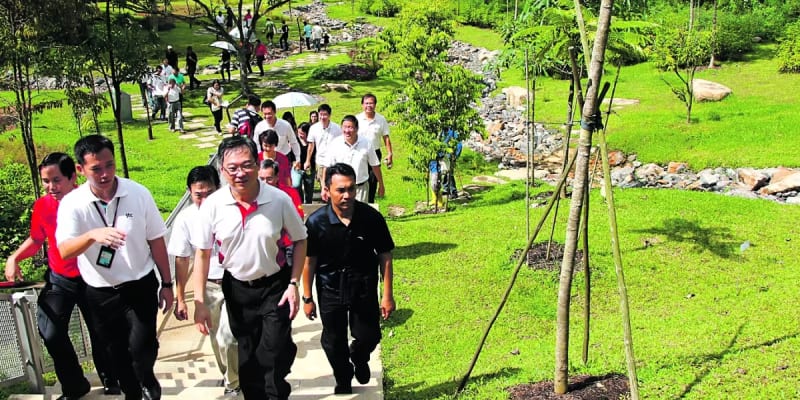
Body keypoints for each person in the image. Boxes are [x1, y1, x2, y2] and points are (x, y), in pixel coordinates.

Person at [56, 134, 173, 400]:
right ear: (80, 169)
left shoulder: (137, 193)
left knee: (142, 347)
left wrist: (167, 284)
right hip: (101, 292)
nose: (105, 173)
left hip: (140, 283)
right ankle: (134, 393)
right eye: (96, 168)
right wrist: (91, 236)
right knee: (116, 352)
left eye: (109, 165)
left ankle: (147, 380)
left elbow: (156, 240)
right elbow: (64, 251)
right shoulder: (73, 204)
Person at [191, 136, 307, 400]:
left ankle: (276, 391)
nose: (240, 173)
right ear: (222, 170)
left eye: (246, 165)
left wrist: (293, 284)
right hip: (237, 289)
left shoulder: (278, 200)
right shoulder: (213, 205)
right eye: (232, 168)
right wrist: (199, 302)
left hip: (274, 286)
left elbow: (300, 240)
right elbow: (202, 254)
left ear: (257, 164)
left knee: (273, 351)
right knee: (248, 354)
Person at [4, 153, 120, 400]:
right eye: (46, 181)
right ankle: (74, 385)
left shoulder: (92, 201)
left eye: (56, 180)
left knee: (102, 332)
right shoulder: (43, 205)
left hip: (93, 278)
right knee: (51, 332)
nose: (50, 187)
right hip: (60, 279)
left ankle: (113, 380)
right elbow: (37, 239)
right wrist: (13, 258)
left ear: (72, 176)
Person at [302, 163, 395, 395]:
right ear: (328, 190)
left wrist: (387, 295)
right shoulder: (316, 223)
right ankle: (343, 377)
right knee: (333, 341)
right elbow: (309, 261)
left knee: (369, 335)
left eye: (351, 189)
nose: (347, 195)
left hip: (363, 286)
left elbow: (385, 255)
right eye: (340, 190)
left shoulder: (371, 218)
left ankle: (359, 357)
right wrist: (307, 297)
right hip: (330, 289)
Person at [169, 166, 240, 397]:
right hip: (208, 287)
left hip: (233, 282)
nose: (204, 199)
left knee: (229, 338)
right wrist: (182, 298)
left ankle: (234, 382)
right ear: (189, 192)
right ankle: (227, 373)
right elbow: (182, 259)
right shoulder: (186, 219)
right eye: (198, 194)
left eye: (209, 193)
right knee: (215, 337)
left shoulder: (232, 209)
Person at [327, 115, 384, 202]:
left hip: (360, 188)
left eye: (350, 127)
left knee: (360, 215)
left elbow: (375, 165)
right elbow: (328, 167)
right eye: (345, 127)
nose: (347, 131)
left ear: (357, 129)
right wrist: (325, 186)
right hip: (340, 188)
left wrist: (381, 184)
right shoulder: (335, 143)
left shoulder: (366, 143)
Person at [356, 93, 394, 203]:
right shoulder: (357, 119)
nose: (369, 106)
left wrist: (390, 154)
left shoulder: (381, 119)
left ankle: (370, 204)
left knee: (373, 180)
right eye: (366, 103)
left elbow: (386, 137)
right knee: (360, 179)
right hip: (360, 152)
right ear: (362, 105)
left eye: (371, 103)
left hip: (375, 152)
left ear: (375, 105)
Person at [304, 104, 342, 197]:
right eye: (320, 114)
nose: (322, 117)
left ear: (329, 115)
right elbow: (311, 145)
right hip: (321, 161)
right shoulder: (313, 128)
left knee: (335, 184)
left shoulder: (337, 128)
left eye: (325, 114)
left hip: (335, 161)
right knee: (324, 185)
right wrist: (307, 160)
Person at [253, 100, 301, 165]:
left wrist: (298, 158)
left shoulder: (285, 125)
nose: (267, 116)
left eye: (269, 113)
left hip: (284, 157)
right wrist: (259, 158)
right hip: (267, 159)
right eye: (265, 114)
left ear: (275, 112)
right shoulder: (259, 127)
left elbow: (293, 142)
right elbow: (256, 144)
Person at [296, 122, 315, 203]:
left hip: (309, 167)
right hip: (298, 167)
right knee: (296, 185)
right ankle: (300, 201)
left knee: (309, 188)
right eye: (299, 132)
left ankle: (308, 203)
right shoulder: (295, 141)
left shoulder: (312, 142)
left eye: (302, 133)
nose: (300, 135)